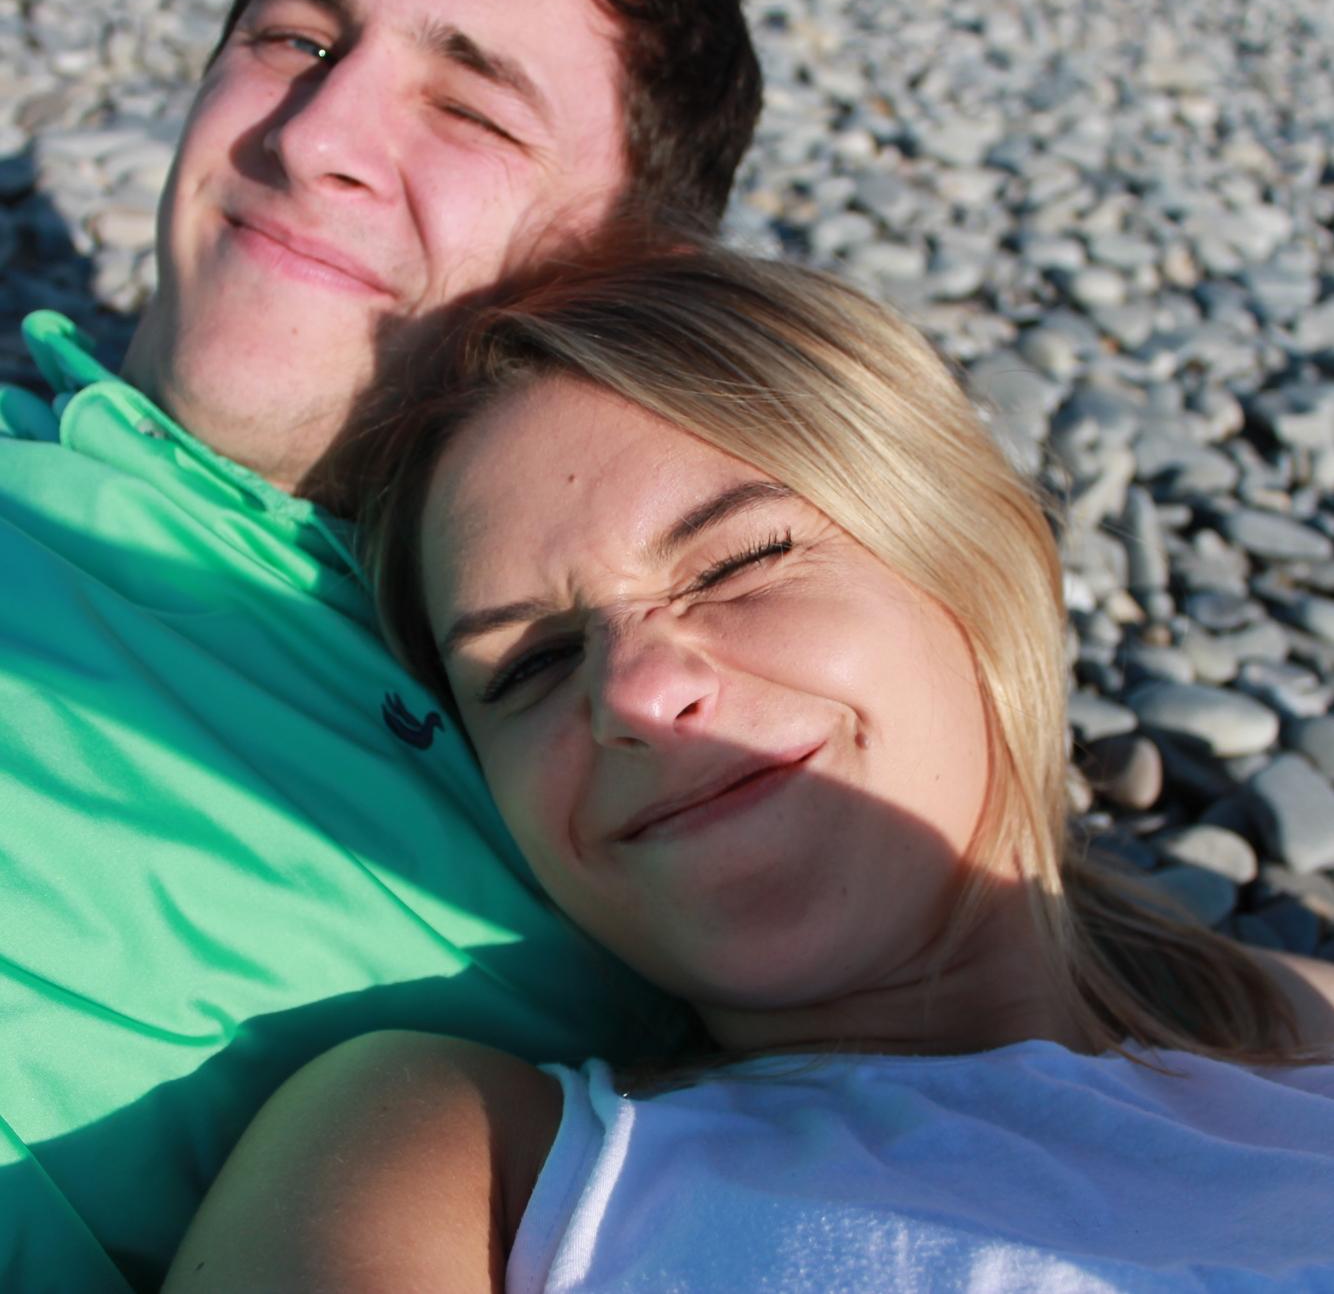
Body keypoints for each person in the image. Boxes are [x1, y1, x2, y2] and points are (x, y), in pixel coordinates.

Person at [163, 244, 1334, 1291]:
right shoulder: (451, 1157)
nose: (633, 691)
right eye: (531, 664)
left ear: (977, 557)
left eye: (737, 560)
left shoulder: (1295, 1042)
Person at [0, 0, 760, 1289]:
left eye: (470, 110)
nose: (311, 138)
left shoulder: (606, 776)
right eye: (295, 40)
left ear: (637, 274)